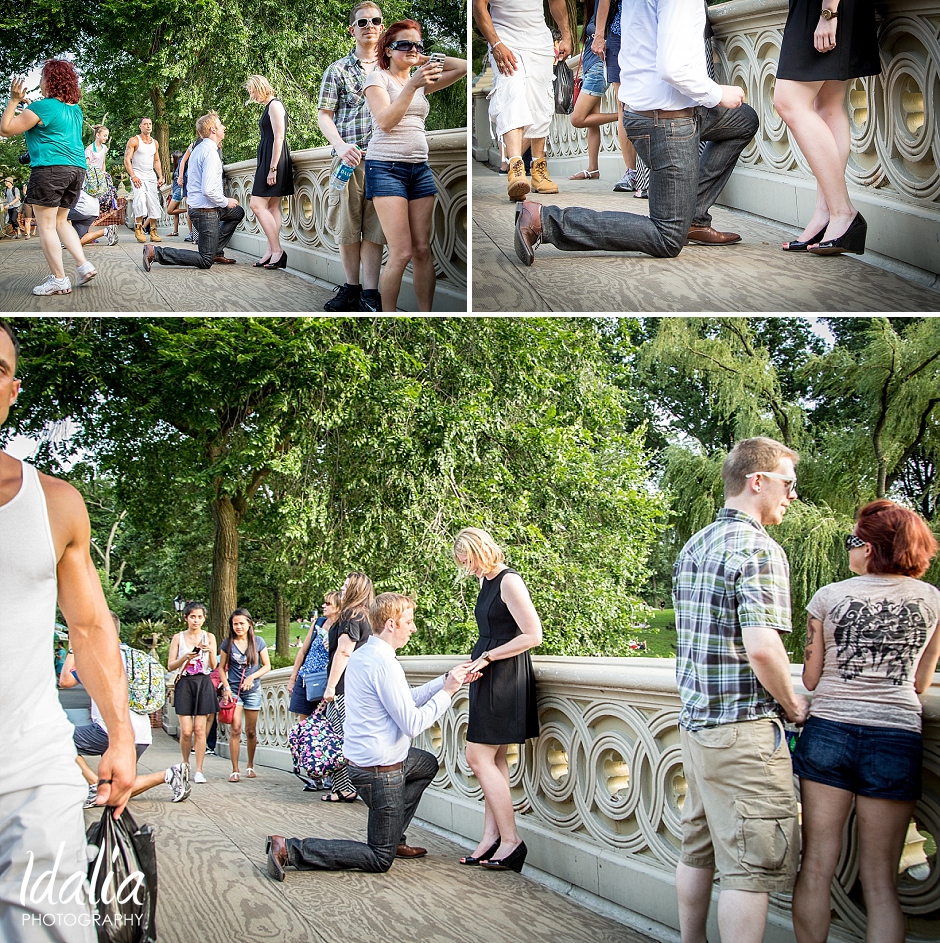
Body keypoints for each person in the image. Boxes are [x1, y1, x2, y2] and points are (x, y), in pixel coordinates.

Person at [0, 318, 135, 941]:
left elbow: (89, 626)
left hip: (29, 764)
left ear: (13, 391)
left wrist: (123, 736)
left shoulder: (53, 502)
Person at [672, 436, 809, 943]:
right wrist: (793, 705)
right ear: (759, 481)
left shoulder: (696, 544)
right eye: (788, 485)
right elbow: (763, 649)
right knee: (749, 872)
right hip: (742, 732)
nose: (792, 496)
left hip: (697, 729)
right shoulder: (759, 549)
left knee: (697, 849)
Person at [791, 500, 940, 943]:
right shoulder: (932, 600)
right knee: (881, 883)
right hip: (895, 737)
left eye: (853, 541)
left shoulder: (830, 597)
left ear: (873, 547)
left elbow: (812, 678)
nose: (849, 550)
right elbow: (919, 682)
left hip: (829, 732)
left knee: (816, 865)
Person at [513, 0, 759, 266]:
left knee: (743, 121)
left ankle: (693, 216)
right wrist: (718, 93)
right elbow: (673, 68)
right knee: (667, 236)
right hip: (666, 122)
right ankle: (543, 221)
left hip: (653, 110)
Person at [265, 592, 478, 878]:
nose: (413, 628)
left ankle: (393, 837)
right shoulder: (383, 664)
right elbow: (413, 724)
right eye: (409, 622)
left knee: (425, 763)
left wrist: (444, 681)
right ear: (391, 624)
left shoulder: (365, 653)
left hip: (364, 762)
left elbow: (404, 698)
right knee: (379, 858)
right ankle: (289, 849)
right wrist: (449, 692)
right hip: (379, 771)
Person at [452, 527, 542, 872]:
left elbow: (533, 635)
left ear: (481, 550)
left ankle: (512, 841)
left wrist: (488, 658)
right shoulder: (486, 580)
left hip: (504, 676)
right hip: (487, 672)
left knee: (476, 756)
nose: (468, 568)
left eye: (469, 561)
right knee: (495, 758)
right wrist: (477, 661)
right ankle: (492, 838)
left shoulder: (509, 581)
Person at [363, 20, 467, 312]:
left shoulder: (421, 78)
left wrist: (426, 60)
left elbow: (465, 68)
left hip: (419, 169)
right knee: (401, 252)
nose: (412, 49)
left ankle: (425, 315)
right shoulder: (377, 79)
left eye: (417, 44)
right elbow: (385, 121)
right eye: (404, 44)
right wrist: (412, 83)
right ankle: (388, 316)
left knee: (423, 250)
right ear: (387, 49)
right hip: (385, 168)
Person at [774, 0, 878, 255]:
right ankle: (826, 214)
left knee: (788, 102)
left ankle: (843, 212)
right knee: (828, 105)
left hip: (824, 6)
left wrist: (829, 12)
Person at [59, 614, 191, 806]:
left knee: (57, 739)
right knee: (114, 794)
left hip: (109, 732)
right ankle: (170, 774)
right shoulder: (134, 656)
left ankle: (95, 784)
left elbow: (65, 681)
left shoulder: (97, 658)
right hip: (141, 735)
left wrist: (73, 647)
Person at [0, 64, 99, 294]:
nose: (41, 82)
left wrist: (14, 100)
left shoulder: (41, 107)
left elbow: (5, 129)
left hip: (50, 169)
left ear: (50, 81)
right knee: (61, 221)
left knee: (45, 225)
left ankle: (59, 279)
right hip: (76, 170)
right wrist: (30, 106)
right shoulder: (75, 109)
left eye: (43, 77)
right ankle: (83, 266)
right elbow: (52, 122)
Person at [317, 1, 387, 312]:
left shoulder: (393, 67)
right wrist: (341, 145)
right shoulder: (338, 69)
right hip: (348, 160)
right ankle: (351, 288)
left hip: (385, 160)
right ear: (352, 30)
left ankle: (371, 294)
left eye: (375, 21)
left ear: (382, 27)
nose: (369, 26)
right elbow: (324, 116)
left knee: (375, 230)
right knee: (348, 227)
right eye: (362, 22)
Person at [473, 0, 574, 202]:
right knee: (512, 93)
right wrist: (496, 44)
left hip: (540, 42)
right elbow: (479, 6)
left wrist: (566, 35)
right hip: (505, 41)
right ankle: (516, 167)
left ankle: (538, 169)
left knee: (541, 101)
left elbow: (556, 1)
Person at [142, 111, 245, 272]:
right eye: (220, 125)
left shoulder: (199, 148)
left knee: (237, 212)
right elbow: (208, 190)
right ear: (212, 130)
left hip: (202, 208)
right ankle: (155, 252)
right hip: (206, 213)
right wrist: (226, 201)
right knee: (205, 260)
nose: (223, 127)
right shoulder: (210, 153)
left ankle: (216, 250)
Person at [568, 0, 644, 197]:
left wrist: (599, 35)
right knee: (622, 105)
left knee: (580, 117)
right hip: (616, 38)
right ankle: (628, 171)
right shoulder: (596, 11)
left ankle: (641, 171)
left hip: (632, 36)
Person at [322, 571, 375, 802]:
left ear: (355, 589)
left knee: (338, 736)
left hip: (345, 686)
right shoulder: (366, 615)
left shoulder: (351, 615)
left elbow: (344, 651)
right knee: (346, 736)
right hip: (359, 685)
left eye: (346, 586)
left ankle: (344, 788)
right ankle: (344, 787)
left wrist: (330, 686)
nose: (342, 589)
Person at [245, 74, 295, 268]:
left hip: (274, 159)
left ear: (260, 87)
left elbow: (279, 137)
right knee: (273, 207)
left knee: (256, 205)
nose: (252, 96)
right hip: (269, 157)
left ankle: (277, 251)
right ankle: (270, 251)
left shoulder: (275, 105)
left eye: (252, 91)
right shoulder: (268, 106)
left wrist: (273, 168)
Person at [167, 599, 218, 784]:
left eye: (199, 617)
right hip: (185, 683)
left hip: (203, 682)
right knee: (187, 731)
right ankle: (185, 764)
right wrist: (184, 658)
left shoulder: (209, 636)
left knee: (200, 729)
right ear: (186, 618)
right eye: (192, 617)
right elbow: (170, 664)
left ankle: (199, 770)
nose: (196, 620)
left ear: (204, 619)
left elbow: (213, 666)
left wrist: (211, 651)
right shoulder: (178, 638)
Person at [219, 607, 271, 782]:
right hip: (234, 690)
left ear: (249, 624)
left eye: (242, 623)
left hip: (253, 690)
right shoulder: (228, 643)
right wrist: (226, 687)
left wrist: (252, 676)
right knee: (235, 729)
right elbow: (221, 668)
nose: (238, 627)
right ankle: (235, 769)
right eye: (235, 624)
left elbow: (267, 666)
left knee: (250, 731)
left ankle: (250, 765)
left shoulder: (258, 642)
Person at [288, 590, 341, 723]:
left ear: (339, 606)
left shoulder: (343, 628)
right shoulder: (319, 623)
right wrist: (293, 677)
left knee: (325, 724)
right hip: (306, 678)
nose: (324, 606)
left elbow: (344, 655)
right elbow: (302, 651)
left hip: (325, 681)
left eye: (328, 603)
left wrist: (333, 648)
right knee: (304, 724)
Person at [124, 117, 164, 244]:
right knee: (140, 199)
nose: (148, 126)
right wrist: (133, 176)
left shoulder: (155, 143)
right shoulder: (134, 140)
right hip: (138, 174)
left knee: (153, 202)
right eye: (145, 124)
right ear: (140, 126)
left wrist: (160, 176)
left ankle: (153, 230)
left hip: (150, 175)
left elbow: (156, 160)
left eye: (150, 124)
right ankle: (139, 227)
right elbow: (127, 159)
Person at [166, 150, 186, 236]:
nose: (171, 159)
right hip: (175, 190)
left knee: (170, 211)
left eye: (171, 157)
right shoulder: (177, 168)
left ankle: (188, 210)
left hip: (178, 191)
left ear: (175, 158)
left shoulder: (180, 169)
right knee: (176, 213)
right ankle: (175, 231)